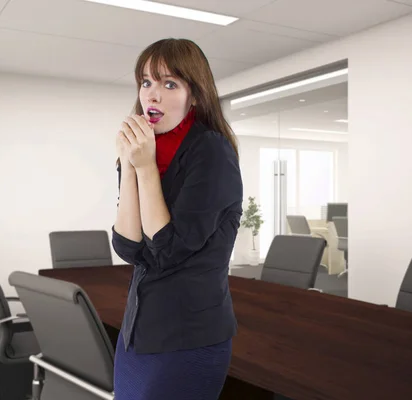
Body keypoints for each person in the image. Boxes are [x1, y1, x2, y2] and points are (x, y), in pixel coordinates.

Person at [110, 38, 243, 400]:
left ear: (195, 96)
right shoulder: (146, 149)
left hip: (188, 335)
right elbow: (128, 246)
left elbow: (166, 249)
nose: (152, 95)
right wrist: (129, 165)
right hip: (139, 330)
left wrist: (144, 167)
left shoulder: (212, 151)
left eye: (170, 84)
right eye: (146, 82)